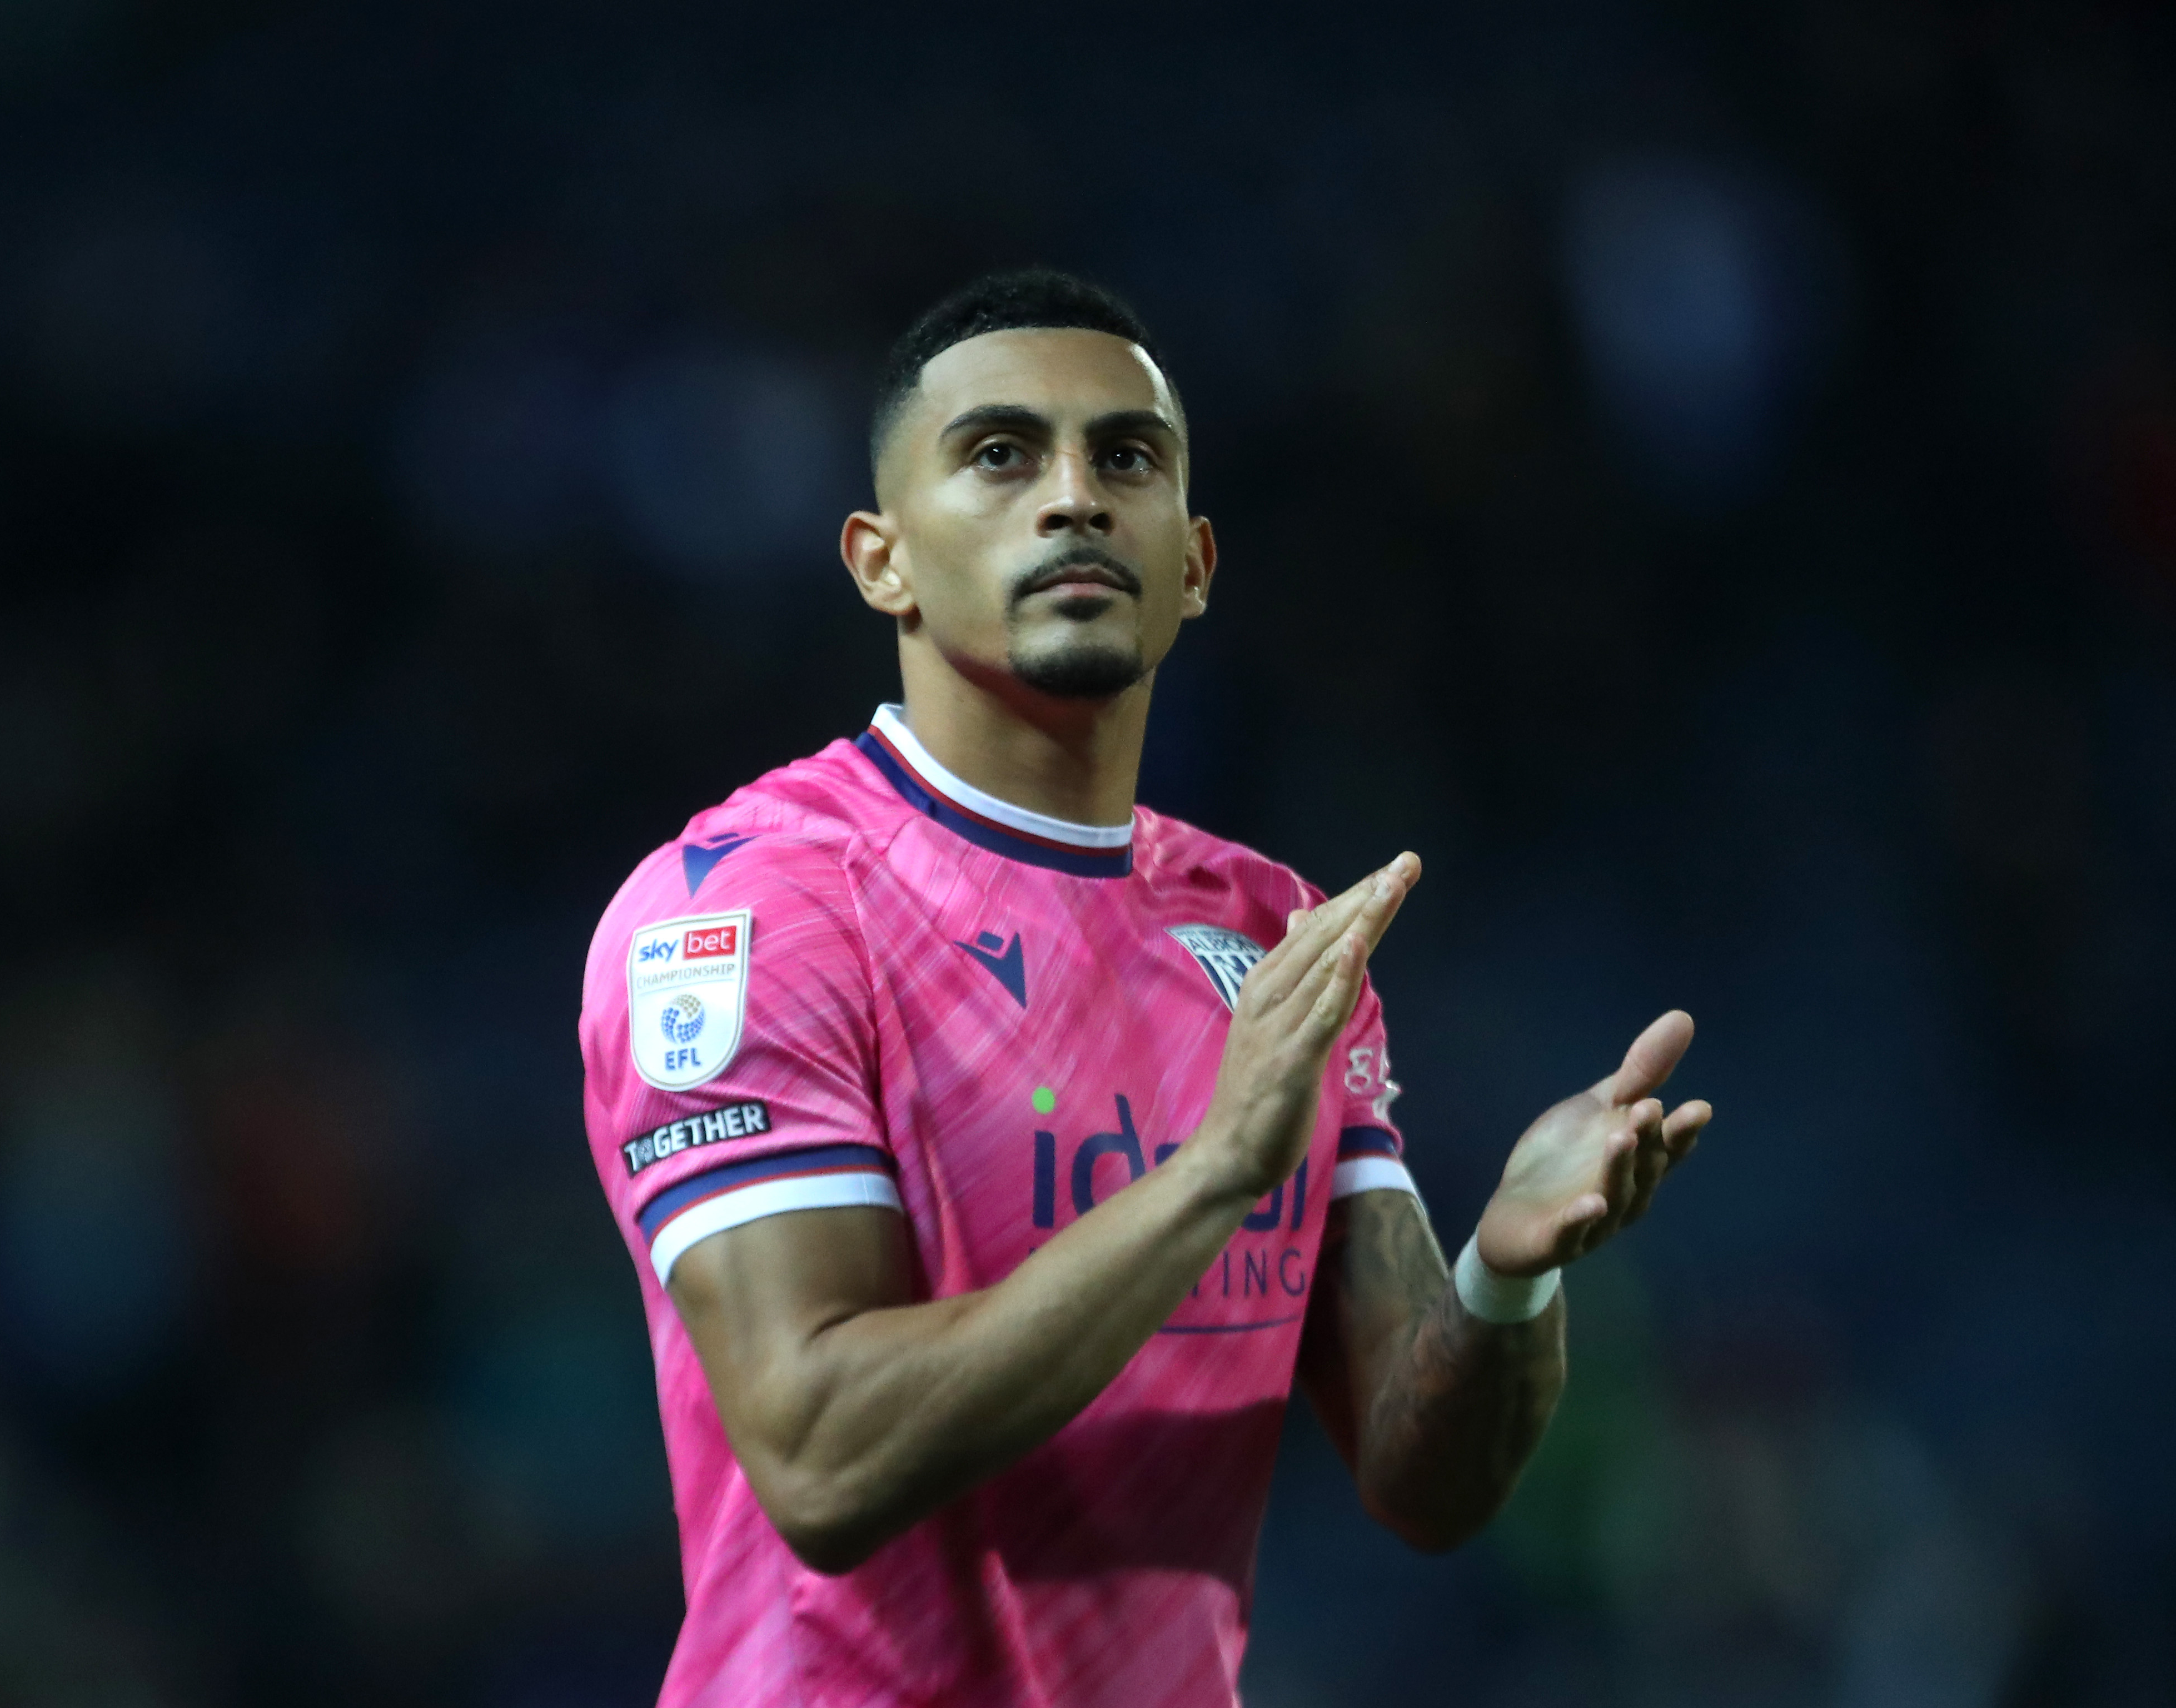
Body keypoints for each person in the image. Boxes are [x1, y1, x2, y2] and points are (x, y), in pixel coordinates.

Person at [577, 268, 1714, 1707]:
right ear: (881, 560)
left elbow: (1424, 1479)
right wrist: (1211, 1174)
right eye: (998, 455)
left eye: (1126, 457)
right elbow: (818, 1453)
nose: (1072, 498)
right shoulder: (747, 911)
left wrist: (1509, 1262)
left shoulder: (1267, 931)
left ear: (1192, 561)